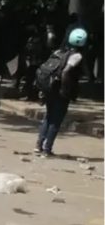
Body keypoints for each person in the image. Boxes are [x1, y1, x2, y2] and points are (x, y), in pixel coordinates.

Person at [36, 28, 86, 157]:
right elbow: (65, 72)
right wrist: (65, 90)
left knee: (48, 116)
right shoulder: (77, 56)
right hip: (59, 91)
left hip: (48, 89)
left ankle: (38, 146)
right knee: (56, 120)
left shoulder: (58, 51)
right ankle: (47, 149)